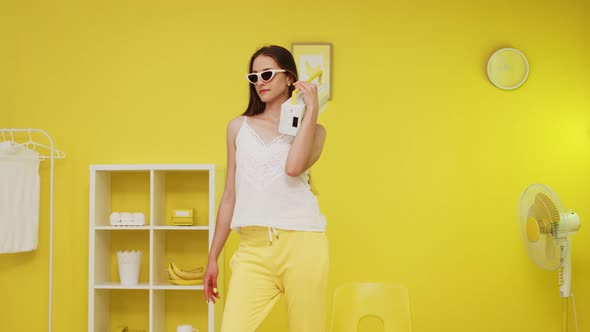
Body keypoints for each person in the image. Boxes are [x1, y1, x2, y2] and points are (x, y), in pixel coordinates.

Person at [203, 44, 329, 332]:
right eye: (254, 77)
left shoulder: (316, 132)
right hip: (253, 249)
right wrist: (213, 257)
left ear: (289, 78)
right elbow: (229, 196)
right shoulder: (237, 127)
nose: (260, 82)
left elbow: (293, 167)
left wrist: (310, 111)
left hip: (303, 243)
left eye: (268, 74)